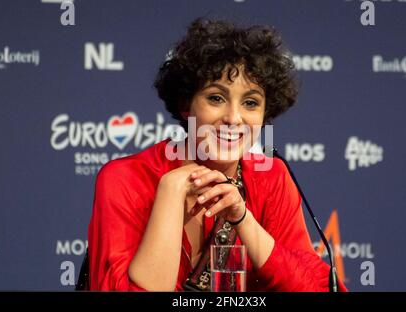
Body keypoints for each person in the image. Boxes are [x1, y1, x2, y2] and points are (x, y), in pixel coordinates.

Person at [87, 18, 347, 292]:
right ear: (187, 105)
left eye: (250, 103)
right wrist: (171, 191)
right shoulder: (125, 178)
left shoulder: (272, 178)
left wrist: (242, 218)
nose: (234, 119)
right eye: (216, 98)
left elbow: (315, 288)